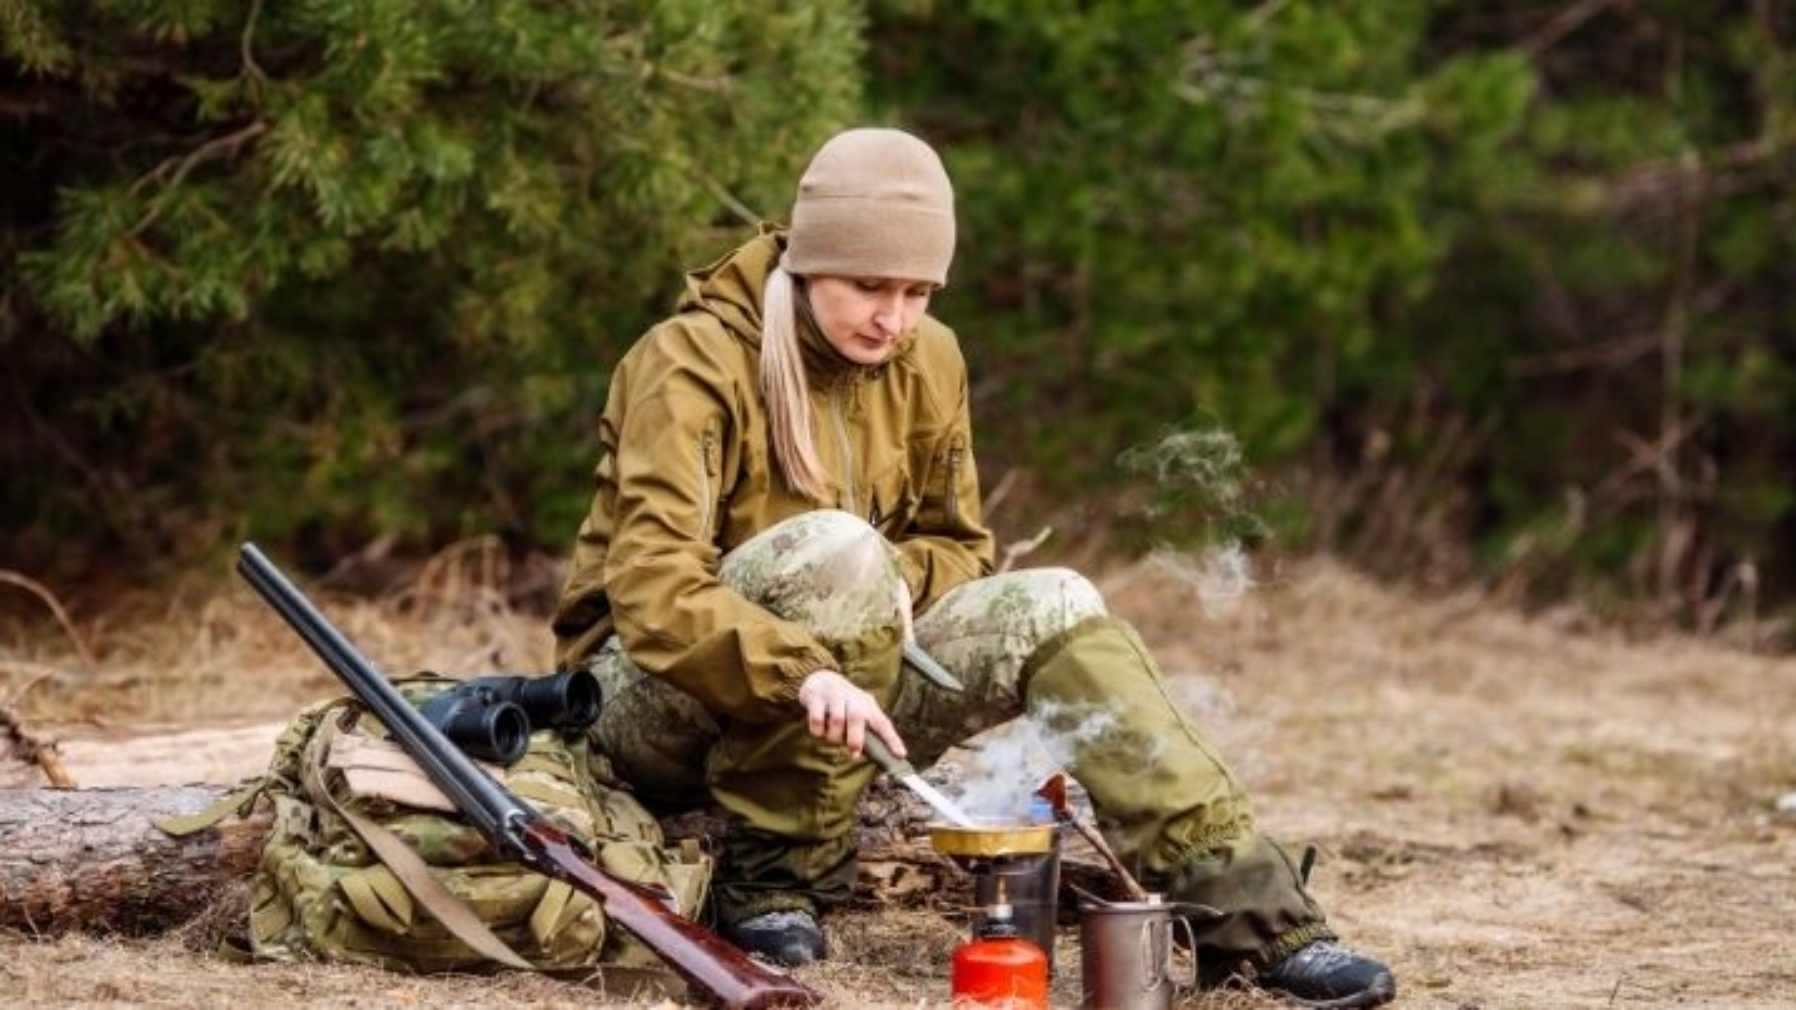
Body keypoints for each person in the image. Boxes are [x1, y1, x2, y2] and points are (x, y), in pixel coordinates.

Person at [552, 127, 1397, 1008]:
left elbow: (960, 547)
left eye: (918, 291)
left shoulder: (931, 358)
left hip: (852, 690)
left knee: (1056, 600)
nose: (894, 318)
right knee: (836, 549)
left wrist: (873, 598)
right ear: (805, 266)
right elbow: (650, 592)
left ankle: (1251, 920)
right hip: (644, 704)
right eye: (868, 287)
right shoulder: (688, 362)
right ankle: (772, 883)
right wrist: (808, 657)